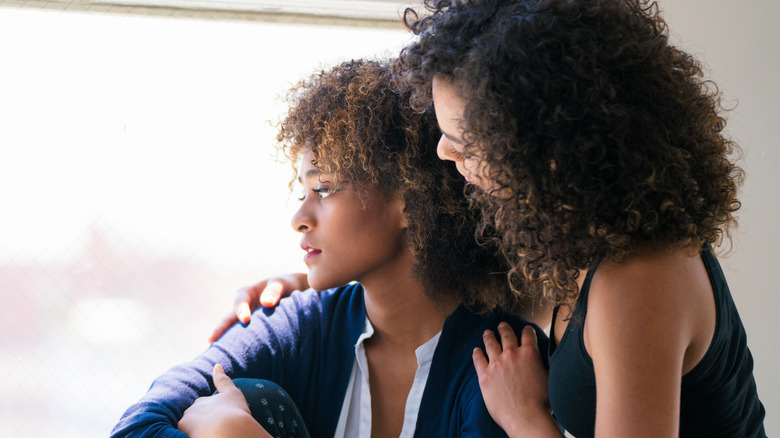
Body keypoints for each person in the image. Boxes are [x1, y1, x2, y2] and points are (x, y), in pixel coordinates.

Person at [111, 58, 547, 438]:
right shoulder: (301, 324)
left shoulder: (503, 361)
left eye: (325, 188)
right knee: (247, 399)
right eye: (303, 191)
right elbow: (137, 426)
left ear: (410, 201)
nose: (299, 217)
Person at [392, 0, 767, 437]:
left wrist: (524, 418)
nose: (443, 152)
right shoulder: (575, 236)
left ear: (552, 151)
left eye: (466, 144)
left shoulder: (639, 279)